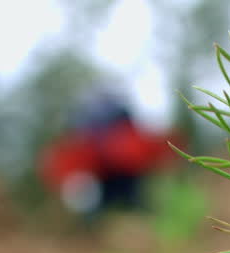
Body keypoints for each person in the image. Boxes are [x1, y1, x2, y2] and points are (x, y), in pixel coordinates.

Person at [39, 91, 176, 217]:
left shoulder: (126, 133)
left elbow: (149, 150)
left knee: (131, 200)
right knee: (95, 201)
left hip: (126, 173)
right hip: (102, 176)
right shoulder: (81, 144)